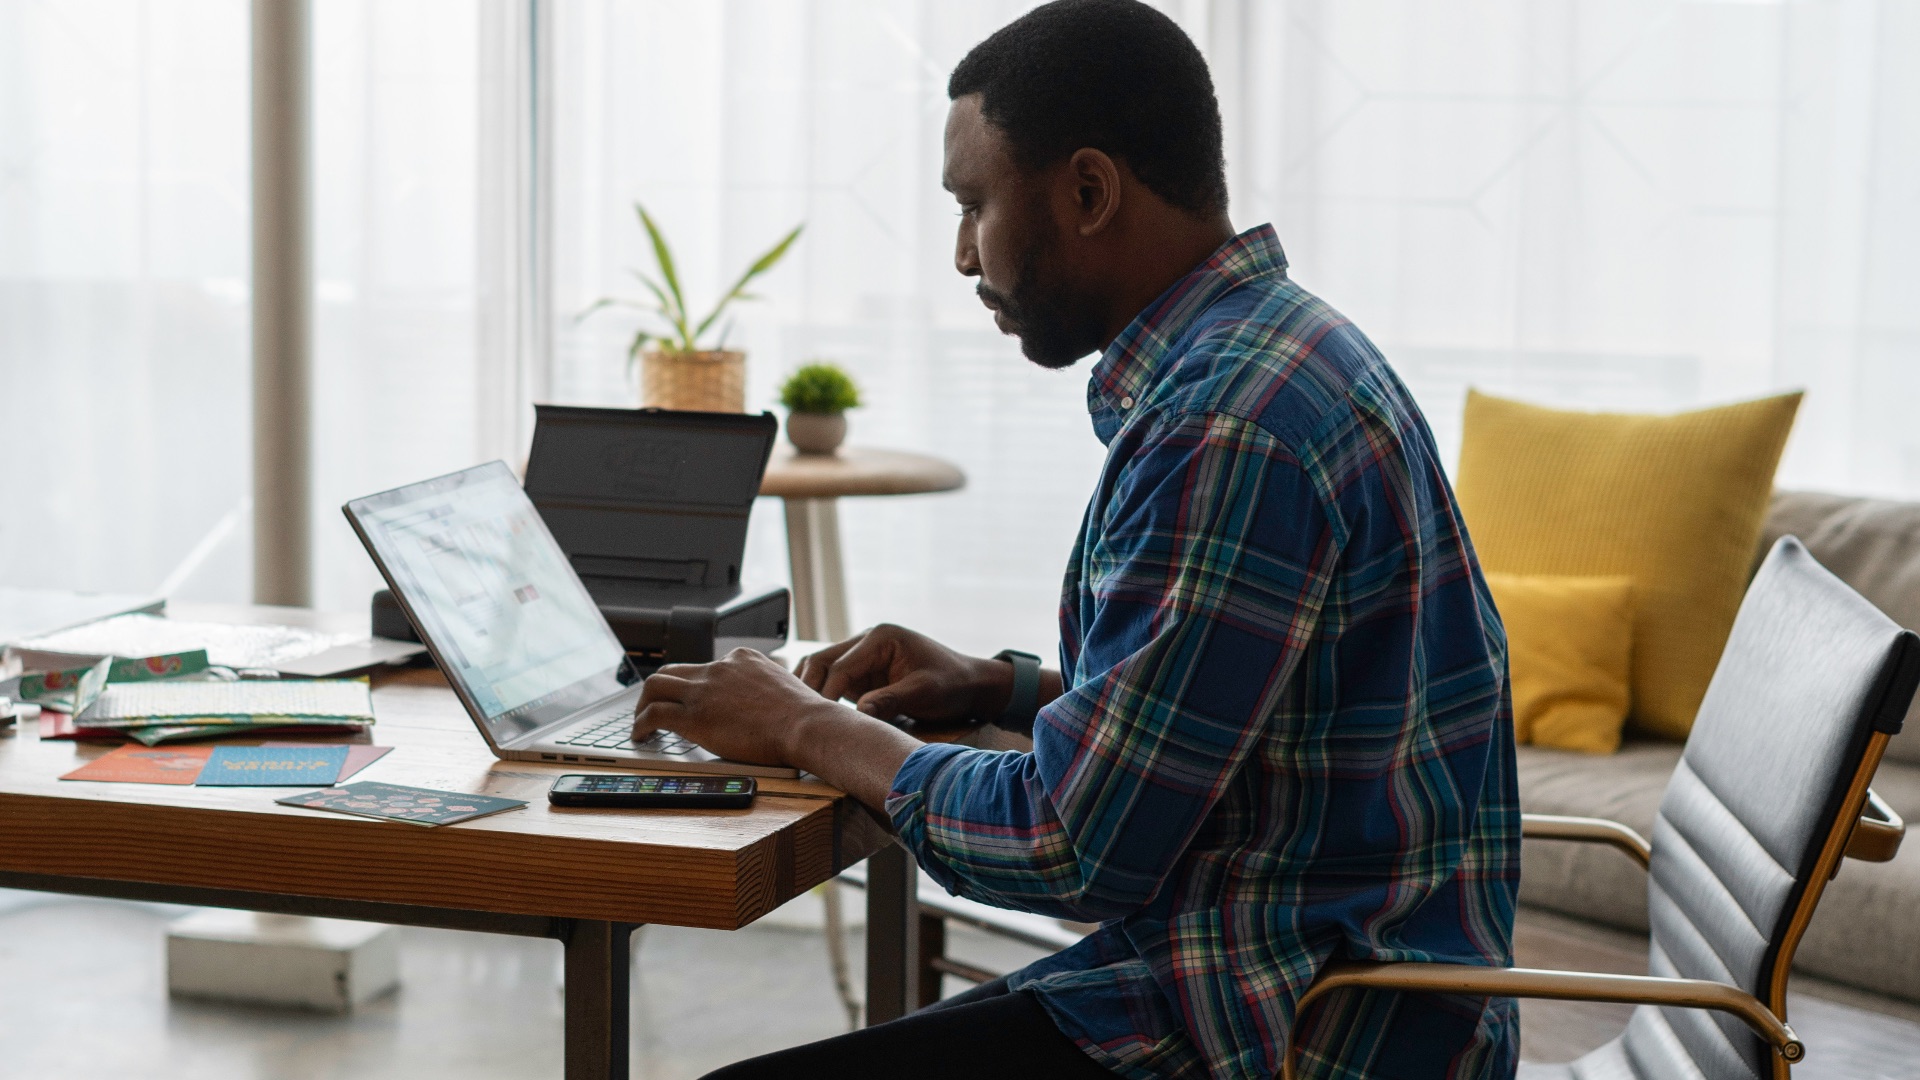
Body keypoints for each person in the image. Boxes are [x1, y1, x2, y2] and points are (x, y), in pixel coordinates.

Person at [639, 2, 1520, 1077]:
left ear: (1090, 192)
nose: (964, 255)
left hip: (1289, 1031)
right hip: (1287, 975)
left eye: (973, 206)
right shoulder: (1285, 350)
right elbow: (1249, 726)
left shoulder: (1225, 424)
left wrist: (807, 727)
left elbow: (1072, 845)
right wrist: (1004, 690)